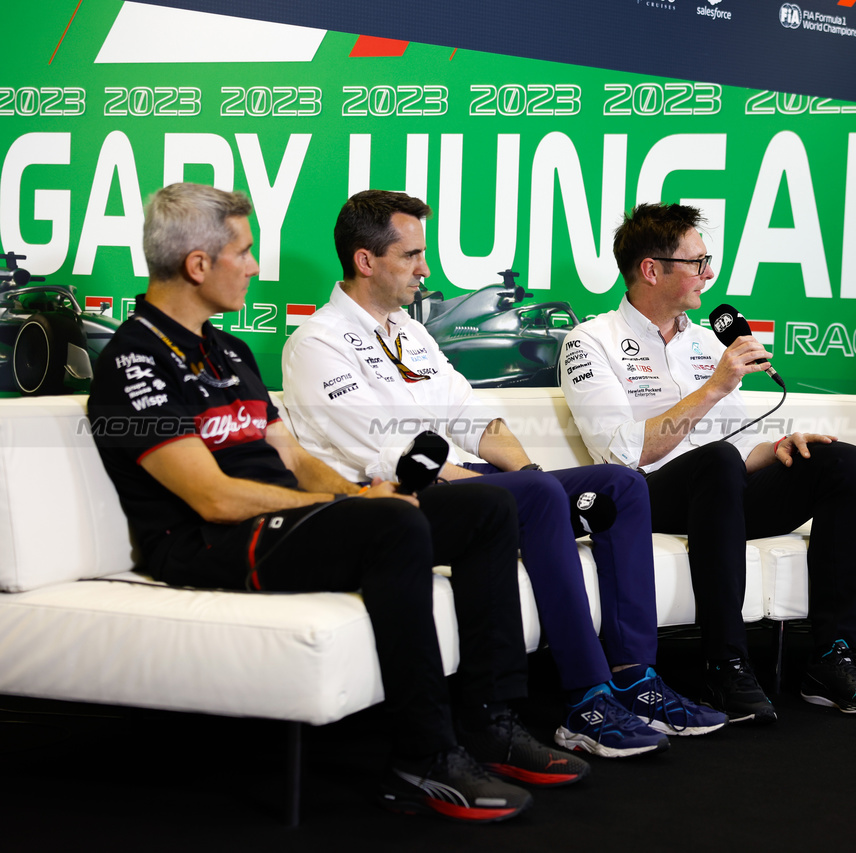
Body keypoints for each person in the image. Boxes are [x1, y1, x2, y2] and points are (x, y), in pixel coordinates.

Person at [87, 183, 589, 825]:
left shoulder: (229, 352)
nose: (253, 266)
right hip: (207, 541)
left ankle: (490, 721)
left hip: (278, 521)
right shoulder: (135, 360)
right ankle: (422, 758)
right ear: (198, 265)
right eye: (243, 252)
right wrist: (354, 509)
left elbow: (293, 457)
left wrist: (357, 494)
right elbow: (211, 498)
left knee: (486, 508)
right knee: (391, 527)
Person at [281, 190, 725, 758]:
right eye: (412, 256)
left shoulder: (411, 334)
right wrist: (522, 491)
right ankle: (585, 700)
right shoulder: (316, 343)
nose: (426, 269)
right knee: (539, 494)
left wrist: (530, 473)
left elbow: (474, 418)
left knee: (620, 485)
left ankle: (635, 678)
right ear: (366, 261)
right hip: (394, 503)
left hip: (466, 483)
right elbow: (387, 455)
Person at [559, 202, 856, 724]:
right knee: (715, 463)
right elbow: (620, 454)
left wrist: (779, 448)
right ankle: (725, 662)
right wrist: (715, 387)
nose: (709, 274)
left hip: (722, 492)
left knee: (838, 461)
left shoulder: (704, 339)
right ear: (652, 269)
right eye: (697, 262)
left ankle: (834, 657)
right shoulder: (590, 341)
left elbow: (738, 445)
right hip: (647, 496)